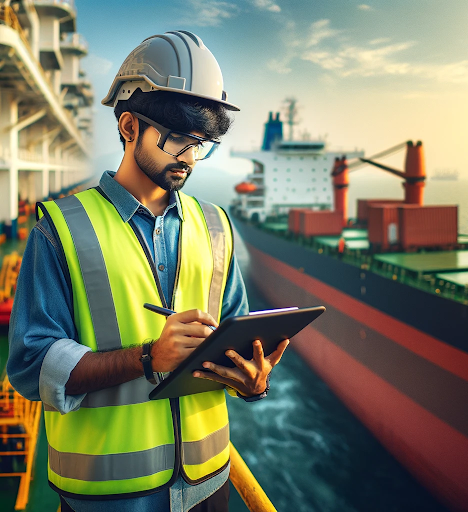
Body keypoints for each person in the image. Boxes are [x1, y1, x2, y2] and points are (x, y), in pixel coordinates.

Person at [7, 31, 288, 512]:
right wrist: (147, 357)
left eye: (202, 143)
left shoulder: (217, 227)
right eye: (178, 138)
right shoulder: (58, 230)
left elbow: (235, 337)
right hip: (107, 499)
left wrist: (253, 380)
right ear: (129, 125)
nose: (190, 157)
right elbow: (31, 368)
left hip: (209, 486)